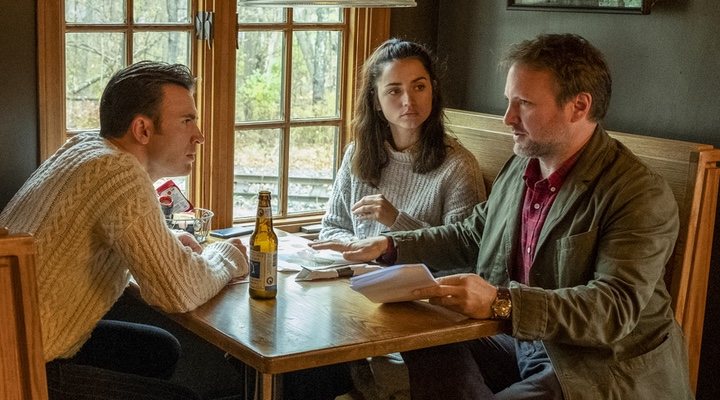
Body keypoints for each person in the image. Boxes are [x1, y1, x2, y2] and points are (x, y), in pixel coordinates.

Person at [310, 33, 694, 399]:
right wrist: (390, 245)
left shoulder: (639, 193)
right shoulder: (521, 167)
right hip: (520, 340)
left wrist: (501, 303)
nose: (507, 118)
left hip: (597, 365)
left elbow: (612, 309)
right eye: (508, 101)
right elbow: (471, 235)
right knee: (421, 342)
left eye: (524, 104)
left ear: (579, 106)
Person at [0, 61, 249, 399]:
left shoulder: (85, 148)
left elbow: (97, 235)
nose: (199, 136)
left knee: (157, 349)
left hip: (17, 338)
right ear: (143, 130)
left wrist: (169, 242)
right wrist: (227, 256)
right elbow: (177, 292)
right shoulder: (120, 174)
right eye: (187, 121)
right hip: (19, 369)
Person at [319, 38, 486, 242]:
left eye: (419, 87)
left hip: (425, 275)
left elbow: (463, 252)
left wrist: (396, 220)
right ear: (376, 101)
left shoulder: (458, 166)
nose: (408, 101)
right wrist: (364, 252)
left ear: (433, 91)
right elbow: (331, 228)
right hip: (361, 271)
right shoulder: (357, 153)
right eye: (394, 91)